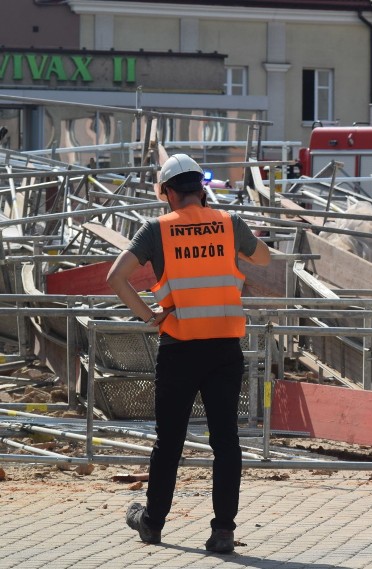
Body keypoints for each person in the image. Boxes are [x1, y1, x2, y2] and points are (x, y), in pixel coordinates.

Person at [107, 153, 271, 553]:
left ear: (166, 194)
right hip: (224, 349)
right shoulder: (229, 224)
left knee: (170, 441)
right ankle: (223, 532)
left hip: (179, 347)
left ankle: (153, 523)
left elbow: (116, 277)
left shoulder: (156, 230)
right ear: (202, 188)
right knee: (226, 441)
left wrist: (151, 316)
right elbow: (263, 258)